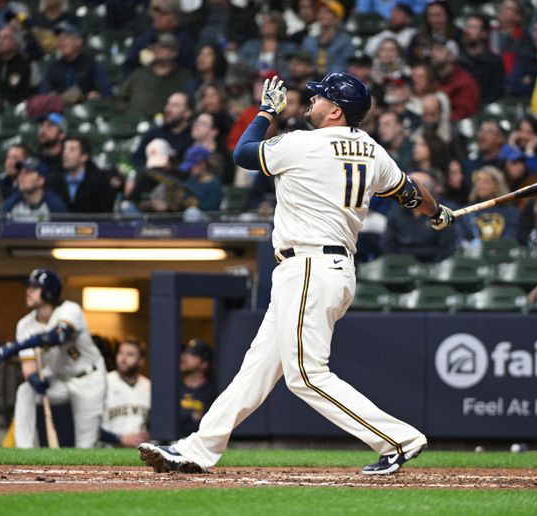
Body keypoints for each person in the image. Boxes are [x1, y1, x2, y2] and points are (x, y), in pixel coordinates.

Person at [139, 72, 450, 476]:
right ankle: (199, 448)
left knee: (305, 374)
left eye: (320, 98)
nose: (312, 101)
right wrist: (438, 212)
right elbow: (410, 192)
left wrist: (267, 110)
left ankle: (398, 439)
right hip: (323, 270)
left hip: (310, 267)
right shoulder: (373, 150)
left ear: (336, 111)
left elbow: (243, 153)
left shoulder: (303, 144)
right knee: (257, 368)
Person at [0, 269, 107, 448]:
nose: (28, 291)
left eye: (34, 287)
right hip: (58, 377)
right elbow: (28, 367)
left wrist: (12, 347)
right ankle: (24, 449)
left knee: (85, 446)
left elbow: (56, 337)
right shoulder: (25, 324)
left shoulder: (70, 310)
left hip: (88, 379)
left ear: (49, 291)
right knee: (25, 390)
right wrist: (34, 378)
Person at [382, 170, 457, 262]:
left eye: (408, 188)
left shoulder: (442, 212)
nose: (403, 192)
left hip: (432, 265)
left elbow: (447, 248)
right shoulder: (396, 210)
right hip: (401, 265)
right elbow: (387, 244)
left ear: (424, 191)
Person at [116, 33, 193, 119]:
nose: (158, 49)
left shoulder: (183, 77)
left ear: (174, 53)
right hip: (133, 123)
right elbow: (120, 98)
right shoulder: (140, 73)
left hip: (166, 125)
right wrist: (130, 113)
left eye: (164, 47)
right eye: (156, 46)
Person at [39, 22, 111, 105]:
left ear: (78, 41)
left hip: (86, 113)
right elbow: (44, 96)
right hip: (59, 114)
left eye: (66, 37)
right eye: (59, 38)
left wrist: (97, 96)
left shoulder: (91, 65)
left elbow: (107, 93)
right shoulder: (53, 68)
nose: (62, 42)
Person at [99, 336, 151, 448]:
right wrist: (120, 438)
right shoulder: (103, 382)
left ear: (141, 361)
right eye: (120, 353)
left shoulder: (148, 386)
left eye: (130, 354)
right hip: (108, 449)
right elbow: (90, 426)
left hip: (140, 451)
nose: (123, 358)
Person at [49, 136, 114, 214]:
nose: (65, 153)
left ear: (84, 157)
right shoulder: (53, 180)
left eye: (72, 149)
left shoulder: (100, 181)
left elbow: (105, 215)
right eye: (64, 149)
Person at [1, 157, 68, 222]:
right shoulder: (11, 204)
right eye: (20, 172)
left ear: (41, 180)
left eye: (27, 172)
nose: (21, 176)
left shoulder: (55, 205)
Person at [178, 338, 215, 439]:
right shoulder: (173, 387)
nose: (184, 357)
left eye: (192, 354)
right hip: (173, 442)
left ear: (204, 364)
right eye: (184, 353)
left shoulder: (212, 392)